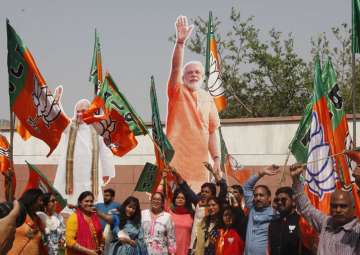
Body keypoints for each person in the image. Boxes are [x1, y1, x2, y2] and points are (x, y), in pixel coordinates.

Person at [166, 15, 221, 190]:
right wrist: (180, 43)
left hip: (200, 167)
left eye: (197, 72)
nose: (194, 74)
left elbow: (212, 131)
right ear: (183, 77)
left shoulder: (208, 98)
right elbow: (175, 68)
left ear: (203, 77)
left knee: (199, 210)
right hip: (176, 163)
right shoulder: (177, 91)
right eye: (189, 72)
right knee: (175, 207)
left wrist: (217, 158)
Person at [54, 98, 115, 210]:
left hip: (90, 175)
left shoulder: (97, 128)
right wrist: (57, 102)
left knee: (90, 203)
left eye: (83, 111)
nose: (80, 114)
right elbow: (60, 118)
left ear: (89, 112)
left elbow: (105, 151)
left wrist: (107, 172)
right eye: (77, 111)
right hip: (72, 175)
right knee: (71, 204)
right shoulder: (70, 126)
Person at [290, 164, 360, 255]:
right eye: (334, 206)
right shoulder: (326, 222)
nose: (338, 210)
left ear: (353, 208)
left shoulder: (357, 230)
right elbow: (305, 208)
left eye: (343, 206)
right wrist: (296, 179)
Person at [243, 165, 280, 255]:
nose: (258, 198)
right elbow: (246, 187)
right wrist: (261, 173)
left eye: (261, 195)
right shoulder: (252, 208)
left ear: (269, 198)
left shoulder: (276, 214)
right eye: (255, 195)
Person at [268, 187, 310, 255]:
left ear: (293, 202)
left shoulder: (301, 222)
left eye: (283, 199)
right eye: (277, 200)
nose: (279, 202)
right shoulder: (273, 223)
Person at [8, 188, 45, 255]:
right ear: (31, 199)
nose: (42, 203)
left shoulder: (38, 220)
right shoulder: (18, 214)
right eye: (40, 200)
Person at [65, 191, 104, 255]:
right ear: (80, 203)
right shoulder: (74, 217)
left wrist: (101, 247)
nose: (89, 203)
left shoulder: (94, 217)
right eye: (86, 201)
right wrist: (88, 251)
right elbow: (69, 241)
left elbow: (100, 236)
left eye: (91, 201)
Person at [169, 188, 194, 255]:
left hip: (185, 250)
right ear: (174, 199)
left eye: (182, 198)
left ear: (186, 200)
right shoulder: (169, 213)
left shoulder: (191, 214)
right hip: (170, 251)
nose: (180, 199)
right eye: (178, 197)